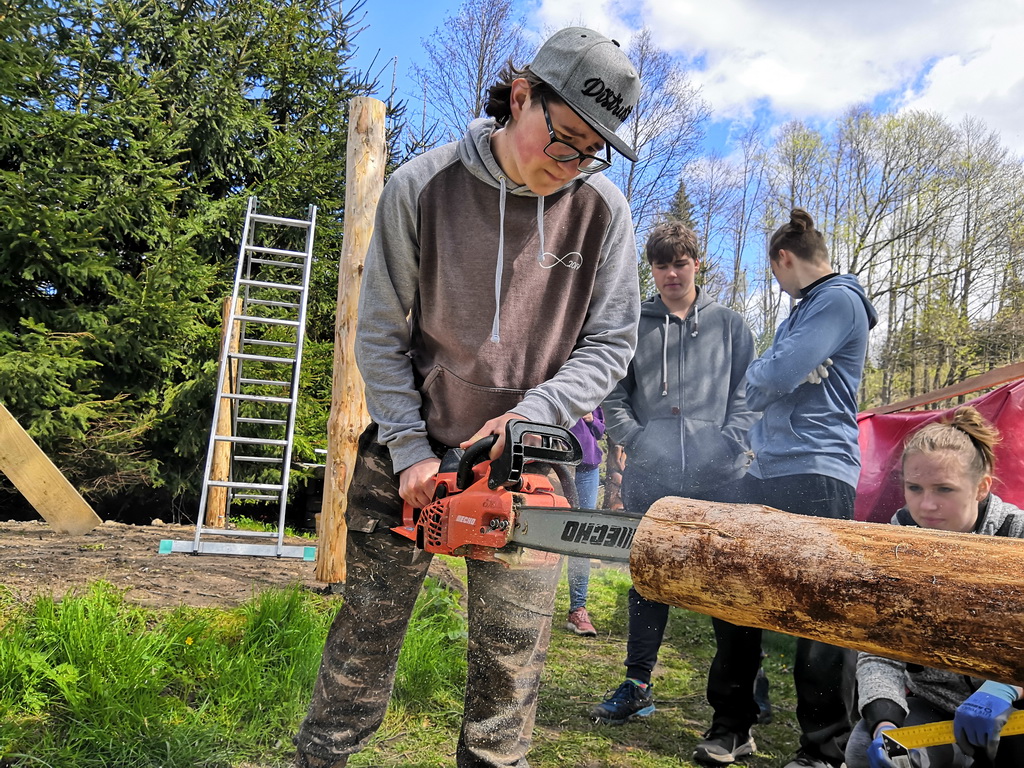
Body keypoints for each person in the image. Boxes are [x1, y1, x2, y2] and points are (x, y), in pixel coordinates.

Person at [291, 26, 642, 768]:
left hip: (527, 464)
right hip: (410, 451)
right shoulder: (422, 186)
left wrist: (536, 413)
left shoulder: (604, 211)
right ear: (522, 96)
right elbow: (380, 334)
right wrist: (412, 449)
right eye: (564, 138)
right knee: (363, 640)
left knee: (509, 673)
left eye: (591, 151)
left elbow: (611, 342)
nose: (571, 162)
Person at [694, 208, 878, 768]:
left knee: (819, 610)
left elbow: (769, 377)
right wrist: (779, 368)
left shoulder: (838, 300)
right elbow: (763, 382)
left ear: (783, 259)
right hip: (765, 468)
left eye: (774, 274)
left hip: (819, 470)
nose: (776, 283)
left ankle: (824, 747)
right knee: (735, 591)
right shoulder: (804, 313)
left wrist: (777, 370)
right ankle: (733, 725)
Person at [589, 221, 757, 725]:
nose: (671, 275)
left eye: (680, 264)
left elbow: (749, 394)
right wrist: (635, 439)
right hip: (651, 475)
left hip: (722, 476)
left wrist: (729, 442)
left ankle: (746, 689)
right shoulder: (634, 325)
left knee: (728, 583)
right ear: (652, 269)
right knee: (648, 580)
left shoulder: (730, 325)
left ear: (696, 264)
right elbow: (613, 393)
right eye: (661, 266)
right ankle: (637, 684)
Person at [846, 407, 1024, 768]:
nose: (926, 505)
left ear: (982, 487)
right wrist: (884, 720)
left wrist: (1008, 685)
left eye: (944, 489)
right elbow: (880, 650)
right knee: (863, 751)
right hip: (936, 704)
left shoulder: (1018, 535)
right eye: (914, 488)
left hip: (1013, 705)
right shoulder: (896, 544)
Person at [565, 408, 606, 637]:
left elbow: (600, 430)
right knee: (542, 532)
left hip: (587, 468)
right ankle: (534, 601)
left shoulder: (590, 391)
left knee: (581, 537)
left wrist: (591, 419)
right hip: (553, 463)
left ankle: (578, 608)